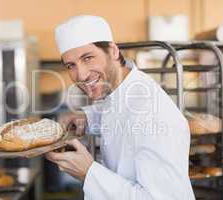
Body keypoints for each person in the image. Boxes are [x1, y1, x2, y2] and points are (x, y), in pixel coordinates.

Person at [45, 15, 195, 200]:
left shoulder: (151, 112)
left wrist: (88, 173)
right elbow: (119, 113)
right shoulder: (121, 92)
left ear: (113, 51)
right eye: (71, 65)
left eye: (88, 58)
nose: (81, 75)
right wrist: (89, 117)